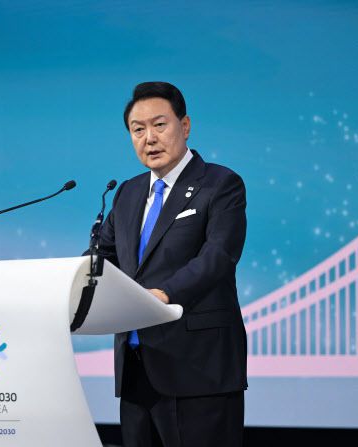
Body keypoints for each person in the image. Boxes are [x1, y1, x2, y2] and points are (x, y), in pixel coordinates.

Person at [97, 82, 248, 447]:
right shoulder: (128, 192)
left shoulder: (220, 184)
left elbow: (219, 256)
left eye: (159, 125)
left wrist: (164, 294)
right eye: (138, 129)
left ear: (185, 125)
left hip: (198, 369)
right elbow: (103, 258)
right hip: (136, 369)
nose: (149, 138)